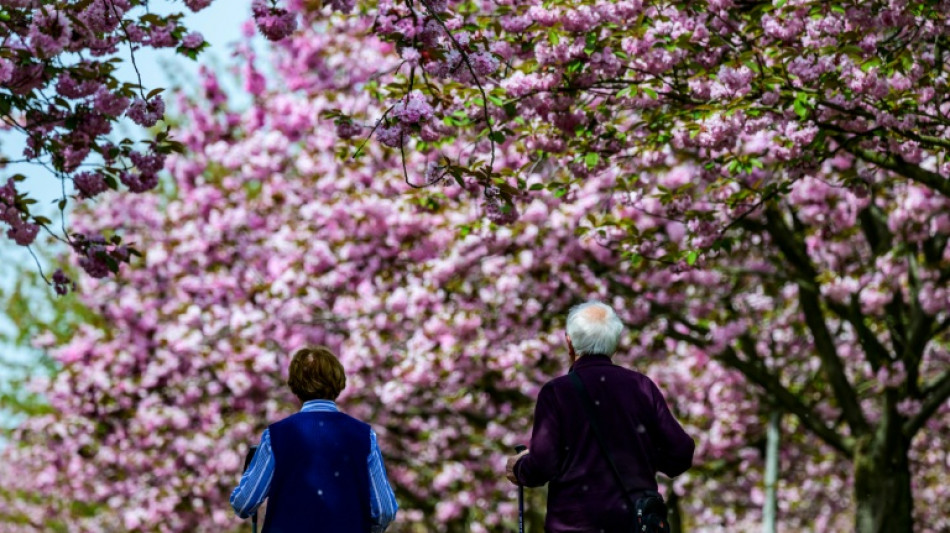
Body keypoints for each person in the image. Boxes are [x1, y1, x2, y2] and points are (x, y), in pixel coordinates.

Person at [505, 300, 695, 532]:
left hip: (575, 525)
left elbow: (543, 465)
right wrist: (642, 456)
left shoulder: (557, 392)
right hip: (634, 523)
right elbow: (681, 452)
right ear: (614, 345)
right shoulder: (641, 386)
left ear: (569, 341)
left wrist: (520, 467)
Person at [231, 346, 398, 532]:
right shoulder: (364, 436)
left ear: (296, 385)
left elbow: (245, 503)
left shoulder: (276, 436)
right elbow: (385, 511)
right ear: (338, 382)